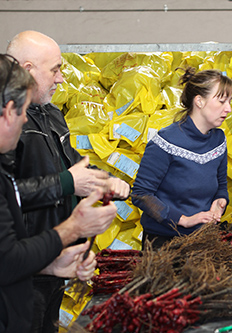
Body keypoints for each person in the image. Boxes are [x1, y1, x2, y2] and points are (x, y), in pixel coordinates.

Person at [6, 30, 130, 333]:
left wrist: (103, 181)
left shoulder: (52, 115)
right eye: (55, 69)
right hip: (23, 265)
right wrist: (66, 183)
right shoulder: (11, 126)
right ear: (27, 70)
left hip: (54, 259)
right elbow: (11, 195)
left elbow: (73, 165)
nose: (61, 78)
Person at [132, 67, 232, 249]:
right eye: (221, 101)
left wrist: (220, 202)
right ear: (199, 101)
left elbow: (221, 186)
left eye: (229, 102)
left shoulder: (219, 140)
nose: (228, 109)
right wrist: (183, 220)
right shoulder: (165, 142)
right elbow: (141, 194)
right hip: (164, 243)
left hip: (204, 239)